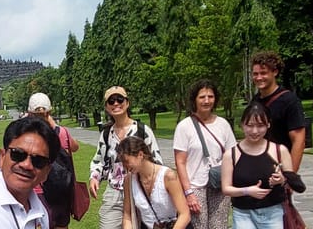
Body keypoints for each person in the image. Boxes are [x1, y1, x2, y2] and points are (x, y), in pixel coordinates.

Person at [90, 86, 163, 229]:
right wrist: (94, 177)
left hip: (140, 189)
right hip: (115, 191)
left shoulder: (142, 131)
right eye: (111, 101)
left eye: (119, 99)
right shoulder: (106, 134)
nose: (116, 103)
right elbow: (100, 160)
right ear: (106, 107)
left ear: (127, 103)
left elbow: (157, 161)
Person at [221, 102, 299, 229]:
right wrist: (247, 191)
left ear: (268, 124)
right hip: (243, 214)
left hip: (274, 212)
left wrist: (282, 180)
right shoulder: (231, 155)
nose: (254, 131)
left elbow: (296, 185)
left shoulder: (280, 150)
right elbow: (226, 189)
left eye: (260, 126)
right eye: (250, 125)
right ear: (242, 125)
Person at [173, 79, 235, 229]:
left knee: (218, 225)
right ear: (195, 99)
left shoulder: (223, 124)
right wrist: (188, 193)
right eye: (202, 97)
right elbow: (180, 162)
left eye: (210, 96)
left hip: (219, 183)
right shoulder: (184, 126)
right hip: (195, 185)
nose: (206, 101)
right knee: (199, 225)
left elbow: (232, 154)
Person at [28, 92, 79, 229]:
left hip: (38, 190)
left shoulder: (29, 135)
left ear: (29, 113)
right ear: (49, 112)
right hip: (61, 188)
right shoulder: (61, 132)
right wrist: (55, 125)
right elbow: (75, 147)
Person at [250, 51, 306, 172]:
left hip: (279, 167)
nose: (258, 78)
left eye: (263, 73)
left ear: (275, 72)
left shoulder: (289, 101)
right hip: (257, 166)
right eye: (255, 74)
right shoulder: (255, 101)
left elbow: (299, 141)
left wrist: (291, 175)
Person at [120, 136, 190, 229]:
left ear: (140, 155)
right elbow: (127, 215)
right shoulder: (129, 180)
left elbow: (185, 214)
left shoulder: (168, 176)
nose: (125, 166)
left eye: (126, 161)